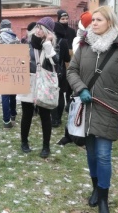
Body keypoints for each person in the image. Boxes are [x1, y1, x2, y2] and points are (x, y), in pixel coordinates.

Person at [67, 6, 118, 212]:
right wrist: (81, 88)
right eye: (93, 20)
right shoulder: (84, 44)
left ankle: (103, 199)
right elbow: (72, 71)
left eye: (99, 20)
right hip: (86, 107)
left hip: (109, 107)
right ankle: (95, 189)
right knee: (91, 154)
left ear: (110, 21)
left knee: (103, 155)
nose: (94, 23)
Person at [20, 17, 58, 158]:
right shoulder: (26, 44)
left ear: (48, 31)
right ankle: (24, 142)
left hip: (44, 82)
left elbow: (56, 63)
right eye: (37, 27)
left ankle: (46, 146)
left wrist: (48, 45)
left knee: (45, 115)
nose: (38, 30)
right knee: (27, 114)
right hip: (29, 81)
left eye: (42, 28)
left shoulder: (52, 45)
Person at [57, 11, 92, 146]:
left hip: (90, 76)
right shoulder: (79, 39)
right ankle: (70, 133)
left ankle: (83, 134)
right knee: (75, 105)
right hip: (80, 76)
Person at [0, 19, 20, 128]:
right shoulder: (16, 38)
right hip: (14, 68)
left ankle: (6, 120)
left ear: (1, 27)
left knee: (4, 95)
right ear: (10, 26)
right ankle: (13, 114)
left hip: (2, 69)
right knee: (13, 94)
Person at [50, 22, 71, 128]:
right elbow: (67, 58)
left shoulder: (48, 40)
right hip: (61, 71)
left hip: (50, 71)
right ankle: (58, 118)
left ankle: (53, 119)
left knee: (52, 95)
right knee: (60, 95)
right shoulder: (63, 42)